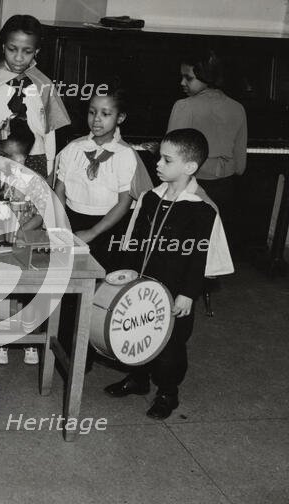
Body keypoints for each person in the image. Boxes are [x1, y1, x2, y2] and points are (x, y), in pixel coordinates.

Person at [104, 128, 234, 419]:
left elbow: (200, 256)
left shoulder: (202, 210)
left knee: (170, 346)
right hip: (142, 283)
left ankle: (168, 392)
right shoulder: (150, 198)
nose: (157, 165)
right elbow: (133, 240)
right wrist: (125, 273)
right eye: (159, 158)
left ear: (189, 167)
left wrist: (189, 293)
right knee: (136, 331)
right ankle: (138, 379)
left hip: (176, 290)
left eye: (166, 160)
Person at [54, 88, 153, 271]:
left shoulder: (125, 154)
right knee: (68, 273)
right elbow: (59, 189)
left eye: (106, 114)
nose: (96, 119)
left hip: (110, 226)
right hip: (72, 221)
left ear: (120, 118)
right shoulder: (73, 148)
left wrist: (92, 233)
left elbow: (125, 202)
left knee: (102, 276)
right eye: (92, 112)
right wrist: (62, 225)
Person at [167, 49, 247, 248]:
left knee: (185, 246)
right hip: (226, 189)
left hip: (193, 188)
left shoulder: (184, 106)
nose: (182, 83)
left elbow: (171, 159)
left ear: (206, 77)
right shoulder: (238, 108)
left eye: (188, 78)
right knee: (212, 245)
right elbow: (240, 167)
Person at [0, 118, 50, 365]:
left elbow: (42, 212)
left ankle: (31, 340)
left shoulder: (34, 182)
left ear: (25, 158)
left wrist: (23, 229)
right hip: (2, 240)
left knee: (29, 290)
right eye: (2, 155)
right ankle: (1, 338)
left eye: (13, 157)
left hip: (27, 238)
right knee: (2, 289)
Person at [0, 14, 70, 180]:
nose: (18, 57)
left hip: (35, 158)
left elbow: (49, 131)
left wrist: (50, 167)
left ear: (37, 51)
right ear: (3, 46)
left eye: (27, 51)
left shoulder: (44, 85)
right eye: (12, 49)